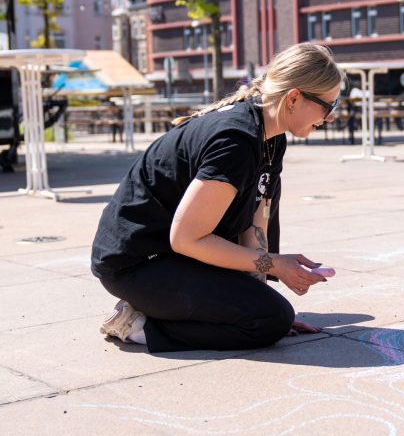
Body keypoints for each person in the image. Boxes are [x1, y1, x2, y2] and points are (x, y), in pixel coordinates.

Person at [91, 43, 345, 352]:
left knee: (269, 314)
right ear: (293, 97)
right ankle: (136, 325)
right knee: (271, 321)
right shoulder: (235, 142)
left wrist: (259, 300)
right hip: (136, 264)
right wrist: (274, 268)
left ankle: (176, 311)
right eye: (328, 106)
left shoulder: (271, 136)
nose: (331, 117)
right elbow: (187, 239)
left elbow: (254, 227)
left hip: (169, 256)